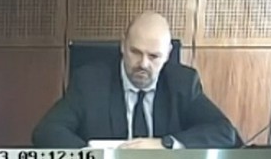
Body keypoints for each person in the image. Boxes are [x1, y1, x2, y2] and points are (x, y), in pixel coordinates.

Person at [32, 11, 238, 149]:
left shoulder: (182, 83)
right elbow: (47, 131)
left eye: (154, 56)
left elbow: (225, 133)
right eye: (136, 52)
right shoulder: (90, 82)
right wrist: (92, 158)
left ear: (168, 54)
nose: (143, 64)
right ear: (123, 45)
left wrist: (165, 144)